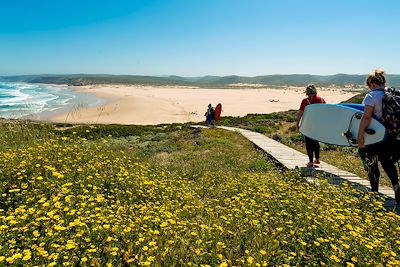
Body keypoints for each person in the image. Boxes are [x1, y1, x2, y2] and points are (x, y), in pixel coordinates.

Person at [357, 69, 400, 202]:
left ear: (372, 84)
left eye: (369, 86)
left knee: (372, 162)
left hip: (375, 135)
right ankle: (396, 187)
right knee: (387, 162)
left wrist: (360, 136)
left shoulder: (371, 96)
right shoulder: (394, 92)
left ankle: (375, 193)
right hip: (394, 134)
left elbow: (366, 117)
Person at [296, 84, 326, 168]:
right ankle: (317, 159)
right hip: (319, 124)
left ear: (307, 92)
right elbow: (325, 112)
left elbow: (300, 113)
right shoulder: (322, 100)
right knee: (316, 141)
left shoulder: (305, 101)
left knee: (309, 143)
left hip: (308, 124)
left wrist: (297, 123)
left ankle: (310, 162)